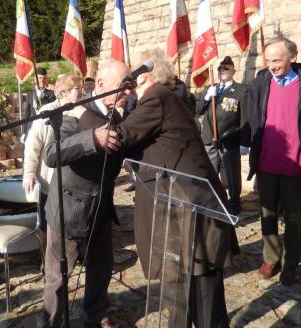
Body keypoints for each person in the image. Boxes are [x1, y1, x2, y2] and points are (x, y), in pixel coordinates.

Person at [113, 48, 239, 327]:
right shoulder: (164, 98)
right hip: (182, 202)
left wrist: (108, 118)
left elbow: (122, 136)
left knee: (204, 287)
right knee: (190, 283)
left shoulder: (156, 97)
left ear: (145, 77)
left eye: (133, 82)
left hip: (191, 204)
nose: (130, 90)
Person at [37, 61, 131, 328]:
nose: (128, 92)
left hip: (100, 209)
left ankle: (95, 316)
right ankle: (50, 323)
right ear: (100, 85)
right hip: (69, 211)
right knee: (57, 279)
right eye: (122, 86)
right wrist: (92, 139)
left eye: (129, 86)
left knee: (101, 268)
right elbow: (53, 153)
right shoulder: (73, 112)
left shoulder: (117, 114)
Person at [247, 36, 301, 286]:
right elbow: (252, 114)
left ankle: (290, 262)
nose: (271, 65)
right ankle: (271, 257)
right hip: (267, 163)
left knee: (294, 218)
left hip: (295, 165)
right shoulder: (261, 82)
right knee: (267, 214)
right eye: (267, 60)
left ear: (293, 57)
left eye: (277, 60)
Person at [23, 73, 84, 254]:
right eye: (77, 89)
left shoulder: (82, 111)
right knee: (49, 222)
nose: (81, 92)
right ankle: (48, 260)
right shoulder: (47, 112)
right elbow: (33, 144)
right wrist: (29, 172)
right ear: (64, 92)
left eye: (81, 88)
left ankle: (76, 252)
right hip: (50, 181)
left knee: (73, 218)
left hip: (74, 181)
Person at [196, 56, 248, 215]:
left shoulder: (241, 90)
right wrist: (206, 97)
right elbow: (197, 111)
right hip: (209, 137)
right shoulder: (211, 88)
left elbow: (245, 117)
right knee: (210, 171)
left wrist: (245, 141)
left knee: (232, 173)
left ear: (233, 70)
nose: (223, 71)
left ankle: (234, 202)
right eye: (221, 68)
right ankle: (212, 200)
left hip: (229, 138)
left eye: (227, 68)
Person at [24, 67, 56, 136]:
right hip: (32, 128)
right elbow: (27, 115)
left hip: (46, 128)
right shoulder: (30, 94)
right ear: (35, 79)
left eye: (44, 78)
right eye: (40, 78)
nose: (42, 80)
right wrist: (24, 132)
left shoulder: (51, 94)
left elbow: (54, 112)